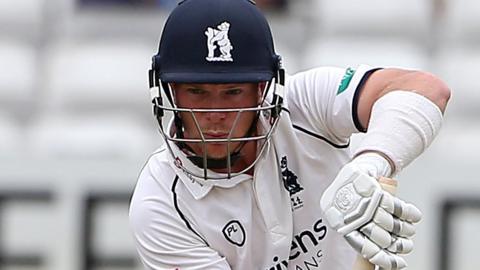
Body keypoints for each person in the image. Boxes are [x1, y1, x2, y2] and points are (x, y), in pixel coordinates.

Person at [129, 0, 451, 269]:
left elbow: (426, 89)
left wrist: (369, 165)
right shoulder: (159, 204)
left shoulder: (304, 104)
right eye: (196, 91)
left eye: (232, 91)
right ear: (169, 91)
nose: (215, 114)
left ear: (262, 89)